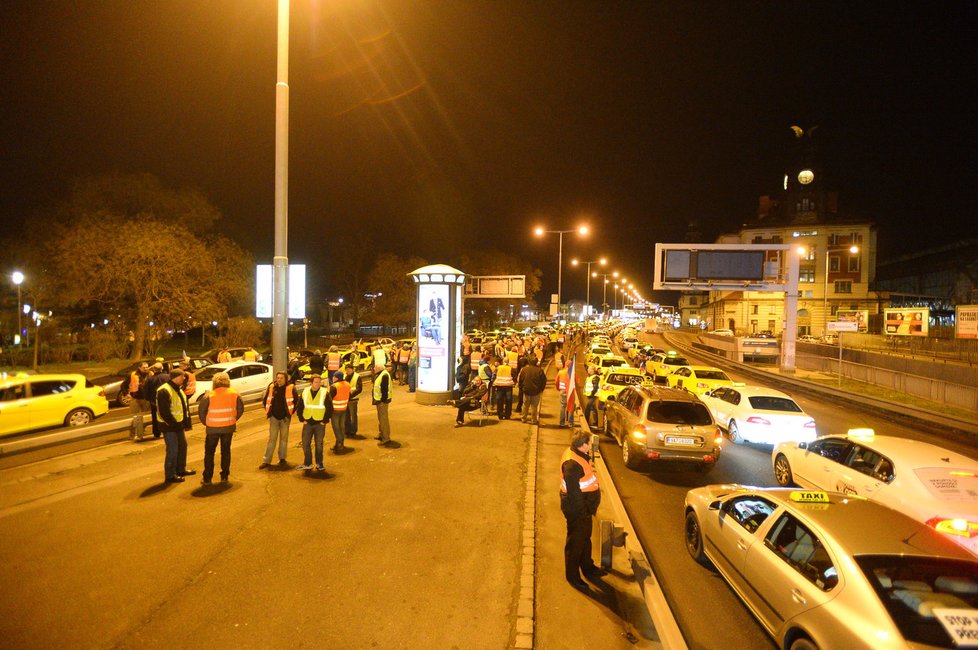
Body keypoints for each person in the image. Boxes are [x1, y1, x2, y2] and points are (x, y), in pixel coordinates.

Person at [560, 430, 605, 591]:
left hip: (583, 509)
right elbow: (573, 493)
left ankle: (588, 567)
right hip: (577, 510)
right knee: (575, 543)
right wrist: (583, 510)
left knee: (585, 539)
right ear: (583, 445)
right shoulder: (572, 464)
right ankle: (573, 577)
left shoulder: (578, 455)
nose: (591, 446)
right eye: (590, 443)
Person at [197, 371, 244, 483]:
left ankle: (207, 478)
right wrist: (232, 419)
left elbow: (201, 412)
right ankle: (224, 476)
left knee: (209, 453)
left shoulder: (209, 395)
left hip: (212, 428)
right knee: (226, 451)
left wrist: (207, 422)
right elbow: (240, 409)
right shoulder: (235, 394)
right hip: (228, 428)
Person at [156, 368, 195, 484]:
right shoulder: (164, 390)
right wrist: (174, 423)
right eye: (182, 376)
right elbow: (164, 412)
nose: (184, 379)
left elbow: (183, 407)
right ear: (176, 377)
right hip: (169, 426)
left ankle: (180, 469)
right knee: (173, 450)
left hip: (178, 425)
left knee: (182, 447)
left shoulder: (178, 389)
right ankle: (170, 475)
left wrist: (185, 423)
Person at [295, 374, 332, 471]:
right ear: (311, 383)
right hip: (308, 422)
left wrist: (325, 421)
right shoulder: (305, 391)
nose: (318, 384)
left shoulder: (324, 392)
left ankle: (319, 463)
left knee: (319, 445)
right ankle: (308, 463)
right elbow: (300, 406)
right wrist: (302, 419)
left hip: (320, 423)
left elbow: (329, 408)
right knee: (305, 443)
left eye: (319, 382)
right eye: (316, 382)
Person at [259, 371, 295, 468]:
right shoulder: (272, 387)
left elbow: (296, 401)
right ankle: (267, 461)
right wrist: (269, 412)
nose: (279, 379)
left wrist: (289, 414)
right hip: (274, 417)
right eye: (278, 377)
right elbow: (266, 399)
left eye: (281, 378)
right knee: (272, 439)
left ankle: (282, 459)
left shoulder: (290, 388)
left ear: (285, 379)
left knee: (284, 439)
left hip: (285, 419)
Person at [142, 362, 168, 438]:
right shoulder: (167, 377)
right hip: (166, 401)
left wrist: (148, 398)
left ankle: (157, 433)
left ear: (154, 369)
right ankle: (166, 431)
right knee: (166, 416)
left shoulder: (150, 379)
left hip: (154, 402)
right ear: (162, 368)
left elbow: (146, 390)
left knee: (155, 417)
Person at [127, 361, 151, 440]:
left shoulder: (150, 374)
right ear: (139, 368)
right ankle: (132, 434)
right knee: (134, 417)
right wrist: (126, 393)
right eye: (144, 367)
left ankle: (142, 432)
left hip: (146, 399)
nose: (146, 369)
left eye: (147, 367)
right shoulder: (133, 375)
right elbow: (124, 385)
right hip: (135, 399)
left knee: (144, 417)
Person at [519, 357, 546, 424]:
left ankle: (523, 418)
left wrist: (522, 388)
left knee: (525, 405)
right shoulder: (539, 370)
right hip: (536, 391)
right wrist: (541, 389)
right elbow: (543, 381)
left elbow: (521, 380)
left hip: (526, 391)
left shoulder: (524, 370)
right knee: (534, 406)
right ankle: (534, 420)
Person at [372, 363, 394, 447]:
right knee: (381, 418)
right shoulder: (381, 374)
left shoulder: (384, 375)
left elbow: (384, 390)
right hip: (379, 401)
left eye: (375, 367)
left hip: (382, 402)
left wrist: (382, 400)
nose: (374, 368)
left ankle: (386, 438)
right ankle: (381, 433)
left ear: (379, 368)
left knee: (383, 419)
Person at [329, 370, 351, 453]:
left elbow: (330, 398)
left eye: (334, 377)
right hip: (344, 408)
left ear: (336, 377)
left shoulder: (334, 386)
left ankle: (339, 442)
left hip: (335, 410)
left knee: (336, 427)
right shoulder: (347, 385)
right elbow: (350, 395)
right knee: (341, 426)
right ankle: (340, 443)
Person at [343, 363, 363, 439]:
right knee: (346, 416)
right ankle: (347, 430)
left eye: (349, 369)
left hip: (353, 399)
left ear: (352, 369)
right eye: (346, 369)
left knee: (353, 416)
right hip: (346, 399)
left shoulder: (357, 376)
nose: (348, 371)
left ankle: (353, 431)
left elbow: (359, 389)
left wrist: (350, 396)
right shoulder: (345, 376)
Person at [583, 365, 601, 429]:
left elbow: (595, 387)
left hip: (593, 395)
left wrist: (592, 393)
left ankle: (586, 421)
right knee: (593, 408)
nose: (588, 370)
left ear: (592, 370)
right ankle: (595, 422)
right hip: (590, 395)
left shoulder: (595, 377)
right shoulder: (590, 377)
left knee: (588, 407)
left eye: (589, 369)